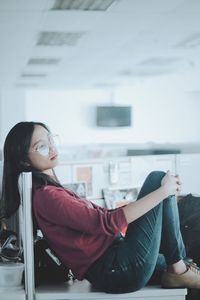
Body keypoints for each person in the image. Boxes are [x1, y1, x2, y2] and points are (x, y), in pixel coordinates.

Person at [1, 121, 200, 293]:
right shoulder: (47, 196)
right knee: (157, 179)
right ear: (23, 160)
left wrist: (155, 200)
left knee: (186, 261)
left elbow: (104, 215)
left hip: (118, 262)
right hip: (118, 269)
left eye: (51, 140)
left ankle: (179, 268)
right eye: (42, 147)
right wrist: (162, 192)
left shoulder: (50, 191)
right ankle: (178, 269)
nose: (52, 148)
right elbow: (107, 223)